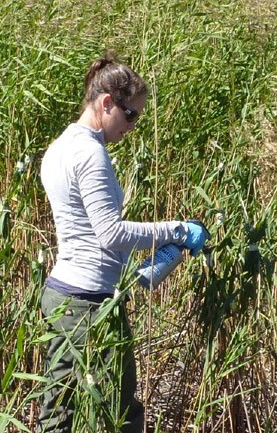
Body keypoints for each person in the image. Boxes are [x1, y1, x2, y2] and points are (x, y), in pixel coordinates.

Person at [37, 53, 206, 433]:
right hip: (91, 303)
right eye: (130, 115)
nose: (132, 126)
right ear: (106, 103)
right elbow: (110, 233)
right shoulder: (90, 154)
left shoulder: (60, 146)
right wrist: (176, 230)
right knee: (121, 411)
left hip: (63, 293)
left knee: (58, 412)